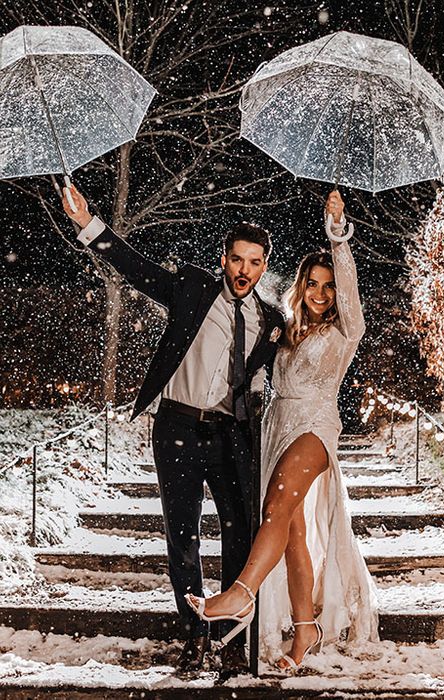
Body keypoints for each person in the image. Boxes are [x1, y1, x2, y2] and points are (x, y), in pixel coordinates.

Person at [61, 186, 284, 678]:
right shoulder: (194, 288)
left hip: (230, 436)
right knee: (181, 536)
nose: (244, 270)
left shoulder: (271, 320)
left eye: (254, 262)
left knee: (238, 533)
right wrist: (89, 223)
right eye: (237, 260)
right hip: (177, 425)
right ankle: (194, 635)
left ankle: (230, 636)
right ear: (224, 260)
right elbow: (138, 271)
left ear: (264, 267)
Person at [186, 190, 379, 671]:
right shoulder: (286, 331)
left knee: (276, 505)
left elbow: (351, 292)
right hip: (277, 425)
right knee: (290, 530)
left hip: (315, 426)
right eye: (311, 284)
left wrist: (337, 233)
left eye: (328, 286)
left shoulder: (344, 331)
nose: (319, 293)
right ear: (301, 286)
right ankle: (304, 630)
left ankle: (241, 593)